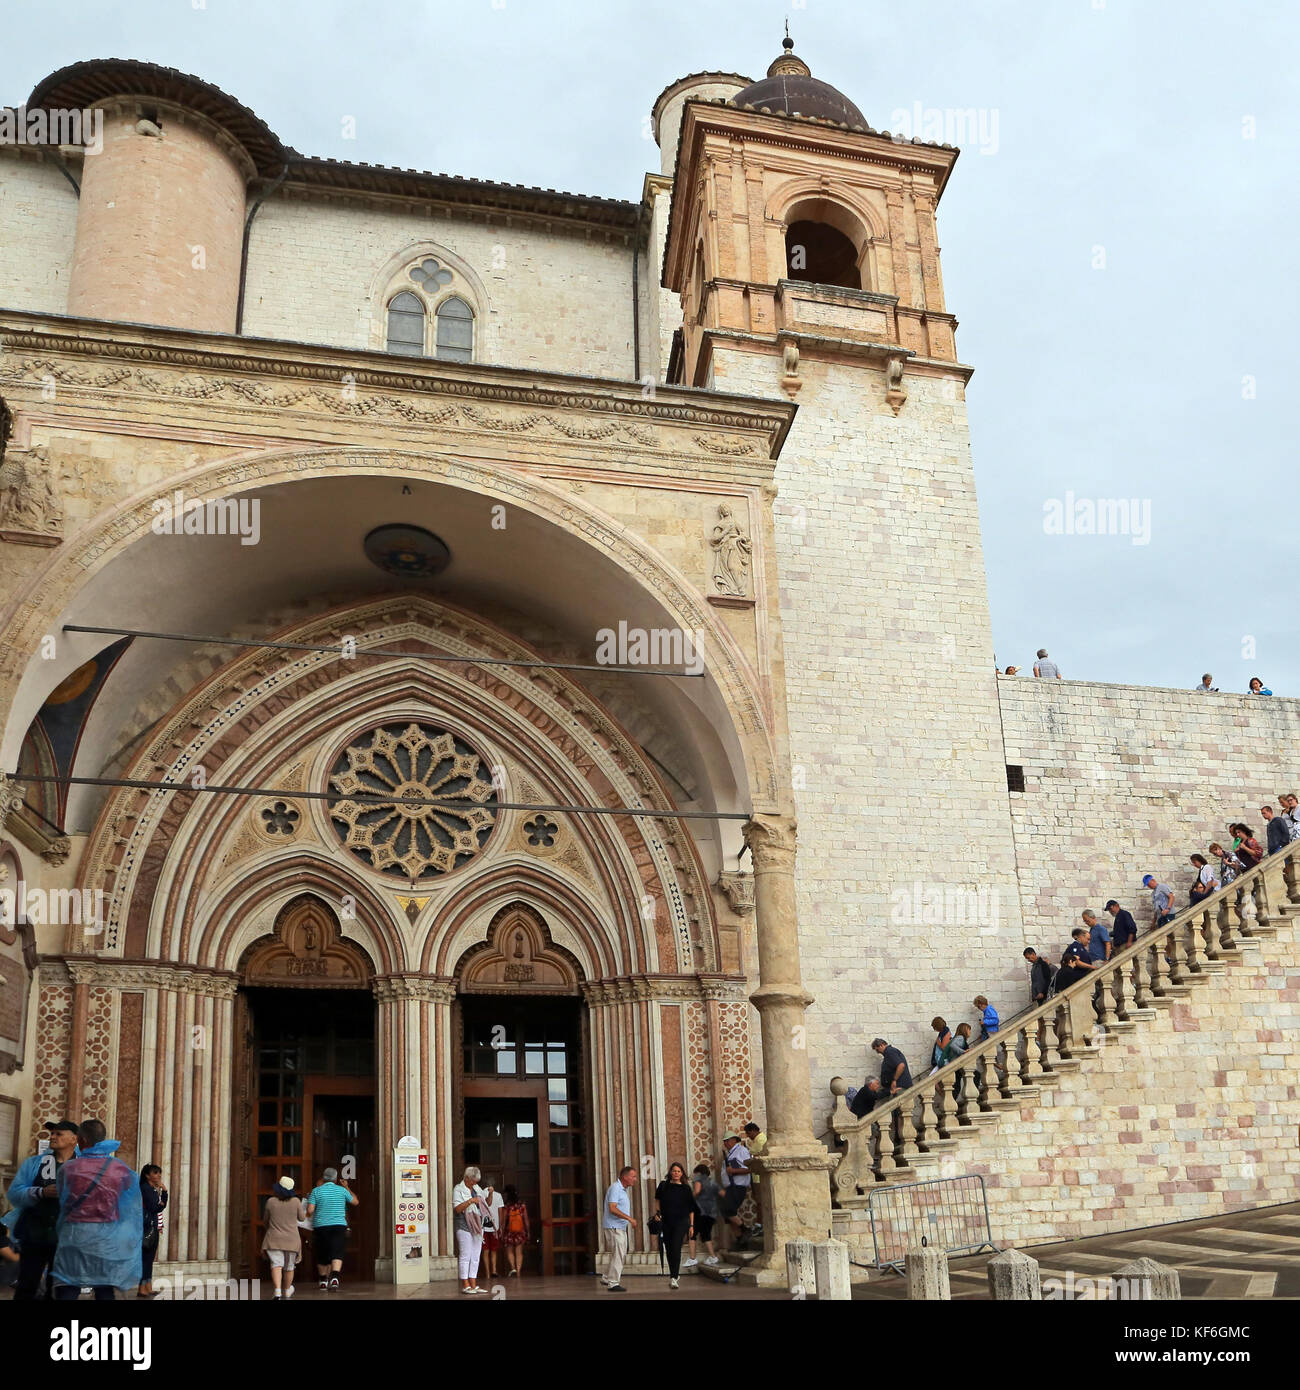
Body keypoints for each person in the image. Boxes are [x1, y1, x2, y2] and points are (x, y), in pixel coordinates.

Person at [51, 1119, 141, 1300]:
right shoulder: (121, 1169)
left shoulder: (68, 1169)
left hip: (74, 1235)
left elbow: (63, 1200)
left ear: (82, 1140)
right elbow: (130, 1205)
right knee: (104, 1288)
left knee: (68, 1285)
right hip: (106, 1238)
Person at [5, 1119, 79, 1300]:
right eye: (52, 1133)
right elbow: (14, 1193)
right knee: (27, 1286)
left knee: (59, 1290)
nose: (52, 1136)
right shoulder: (34, 1163)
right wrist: (40, 1192)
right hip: (34, 1235)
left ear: (73, 1139)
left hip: (67, 1239)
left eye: (58, 1133)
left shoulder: (83, 1167)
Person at [305, 1165, 358, 1291]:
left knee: (322, 1253)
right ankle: (334, 1277)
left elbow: (310, 1211)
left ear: (323, 1178)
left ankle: (323, 1280)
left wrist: (309, 1205)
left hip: (320, 1226)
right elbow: (355, 1201)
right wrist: (346, 1187)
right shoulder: (341, 1190)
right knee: (337, 1251)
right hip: (339, 1225)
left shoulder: (316, 1191)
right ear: (335, 1179)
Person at [652, 1162, 699, 1289]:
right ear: (670, 1172)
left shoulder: (686, 1188)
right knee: (668, 1247)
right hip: (666, 1221)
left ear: (682, 1173)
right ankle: (673, 1274)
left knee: (676, 1247)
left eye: (678, 1171)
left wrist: (692, 1225)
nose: (676, 1173)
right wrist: (658, 1213)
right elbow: (657, 1200)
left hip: (681, 1222)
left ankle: (674, 1276)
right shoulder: (663, 1185)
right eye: (674, 1171)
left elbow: (691, 1209)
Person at [261, 1175, 306, 1300]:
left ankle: (277, 1291)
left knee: (276, 1265)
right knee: (289, 1266)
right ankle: (287, 1290)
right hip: (292, 1240)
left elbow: (266, 1221)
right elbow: (302, 1218)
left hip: (274, 1239)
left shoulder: (270, 1201)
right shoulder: (296, 1201)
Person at [451, 1165, 491, 1295]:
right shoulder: (458, 1189)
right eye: (473, 1181)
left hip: (478, 1225)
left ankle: (473, 1284)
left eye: (476, 1182)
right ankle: (465, 1284)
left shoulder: (476, 1188)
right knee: (465, 1255)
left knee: (475, 1256)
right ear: (467, 1178)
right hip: (464, 1225)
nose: (474, 1183)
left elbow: (487, 1203)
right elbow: (457, 1209)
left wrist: (489, 1193)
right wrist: (470, 1201)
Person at [600, 1166, 636, 1292]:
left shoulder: (622, 1190)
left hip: (619, 1226)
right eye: (633, 1176)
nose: (635, 1179)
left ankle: (606, 1277)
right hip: (614, 1227)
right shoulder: (616, 1188)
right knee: (618, 1255)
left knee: (618, 1254)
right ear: (625, 1177)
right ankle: (613, 1282)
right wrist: (630, 1218)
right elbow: (612, 1208)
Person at [137, 1163, 167, 1298]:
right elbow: (156, 1207)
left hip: (152, 1225)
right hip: (147, 1227)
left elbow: (158, 1206)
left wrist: (160, 1200)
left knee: (149, 1258)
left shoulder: (151, 1188)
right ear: (147, 1175)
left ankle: (148, 1286)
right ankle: (142, 1288)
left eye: (159, 1172)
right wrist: (165, 1193)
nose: (158, 1175)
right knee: (145, 1258)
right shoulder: (146, 1188)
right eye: (155, 1173)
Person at [719, 1134, 753, 1246]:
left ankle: (745, 1229)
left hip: (737, 1186)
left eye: (727, 1140)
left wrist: (733, 1171)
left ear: (734, 1140)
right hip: (731, 1187)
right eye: (724, 1141)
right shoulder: (730, 1153)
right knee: (728, 1215)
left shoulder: (741, 1151)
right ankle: (741, 1241)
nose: (725, 1143)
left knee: (726, 1209)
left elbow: (749, 1169)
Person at [687, 1163, 721, 1267]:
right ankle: (713, 1257)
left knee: (692, 1233)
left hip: (701, 1211)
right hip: (711, 1212)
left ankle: (692, 1258)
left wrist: (688, 1199)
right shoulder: (711, 1182)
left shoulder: (699, 1180)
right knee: (705, 1234)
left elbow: (696, 1191)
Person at [742, 1122, 767, 1236]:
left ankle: (760, 1224)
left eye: (748, 1133)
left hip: (758, 1177)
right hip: (756, 1176)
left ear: (753, 1131)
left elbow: (750, 1153)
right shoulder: (758, 1140)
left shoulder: (760, 1140)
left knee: (760, 1202)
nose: (748, 1136)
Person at [500, 1184, 530, 1277]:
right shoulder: (522, 1205)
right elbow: (526, 1219)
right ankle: (519, 1272)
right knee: (519, 1252)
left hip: (509, 1231)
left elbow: (504, 1220)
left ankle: (513, 1268)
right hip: (520, 1231)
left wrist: (502, 1231)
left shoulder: (507, 1206)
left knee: (509, 1251)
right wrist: (528, 1231)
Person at [479, 1174, 505, 1280]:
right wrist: (500, 1226)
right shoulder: (497, 1195)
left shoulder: (481, 1194)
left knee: (486, 1250)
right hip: (494, 1227)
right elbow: (500, 1212)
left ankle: (488, 1273)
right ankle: (493, 1270)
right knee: (493, 1250)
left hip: (484, 1227)